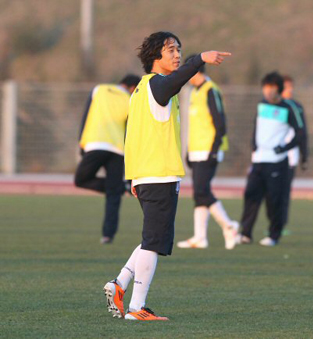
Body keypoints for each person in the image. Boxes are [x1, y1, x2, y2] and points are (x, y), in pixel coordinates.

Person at [102, 31, 231, 321]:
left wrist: (132, 176)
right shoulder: (158, 85)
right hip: (158, 174)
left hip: (146, 174)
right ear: (155, 57)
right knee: (154, 242)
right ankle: (136, 308)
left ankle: (119, 284)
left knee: (152, 237)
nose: (176, 55)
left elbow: (132, 135)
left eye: (179, 50)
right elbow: (175, 82)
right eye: (170, 50)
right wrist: (199, 59)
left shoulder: (141, 89)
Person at [176, 54, 239, 250]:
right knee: (199, 193)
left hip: (209, 150)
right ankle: (200, 237)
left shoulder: (212, 91)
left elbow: (220, 123)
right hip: (196, 151)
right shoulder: (194, 92)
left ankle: (229, 225)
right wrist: (188, 150)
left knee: (202, 191)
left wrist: (213, 149)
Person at [238, 72, 305, 247]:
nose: (268, 91)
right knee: (250, 195)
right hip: (259, 160)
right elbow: (257, 126)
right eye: (265, 87)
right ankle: (245, 233)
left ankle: (274, 235)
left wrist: (283, 148)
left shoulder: (288, 108)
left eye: (272, 88)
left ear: (279, 89)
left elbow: (300, 133)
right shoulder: (261, 105)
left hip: (277, 162)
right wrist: (254, 145)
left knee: (274, 200)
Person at [75, 74, 141, 244]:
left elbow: (85, 116)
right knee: (113, 194)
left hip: (95, 144)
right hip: (118, 149)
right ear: (133, 87)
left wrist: (81, 142)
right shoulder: (132, 99)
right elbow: (131, 128)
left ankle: (119, 187)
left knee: (81, 179)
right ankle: (108, 235)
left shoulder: (99, 89)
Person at [281, 75, 308, 233]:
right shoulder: (276, 106)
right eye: (286, 87)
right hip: (273, 155)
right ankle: (275, 222)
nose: (289, 90)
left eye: (290, 86)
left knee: (285, 191)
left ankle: (281, 223)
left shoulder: (297, 106)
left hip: (290, 156)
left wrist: (305, 155)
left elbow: (302, 133)